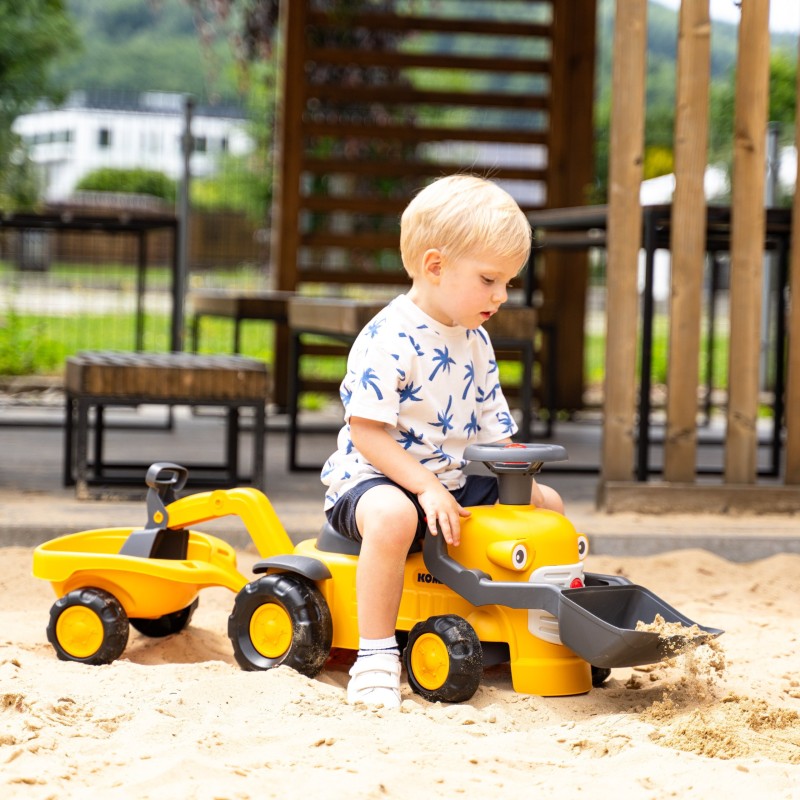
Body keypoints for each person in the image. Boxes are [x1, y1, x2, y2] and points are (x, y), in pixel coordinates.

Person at [321, 174, 564, 709]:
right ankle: (377, 654)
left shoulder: (476, 340)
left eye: (508, 283)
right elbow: (367, 432)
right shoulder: (390, 336)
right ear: (435, 266)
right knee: (393, 515)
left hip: (447, 484)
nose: (501, 296)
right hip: (373, 482)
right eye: (489, 280)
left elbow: (496, 434)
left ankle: (542, 628)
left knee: (547, 508)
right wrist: (425, 486)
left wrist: (521, 476)